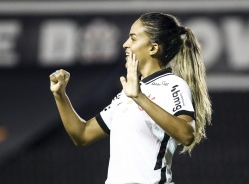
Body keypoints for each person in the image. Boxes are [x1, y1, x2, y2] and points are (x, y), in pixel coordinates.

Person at [49, 12, 212, 184]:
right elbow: (82, 135)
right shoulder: (126, 94)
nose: (125, 44)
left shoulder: (172, 85)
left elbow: (186, 134)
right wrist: (60, 94)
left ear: (153, 48)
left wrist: (139, 97)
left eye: (133, 39)